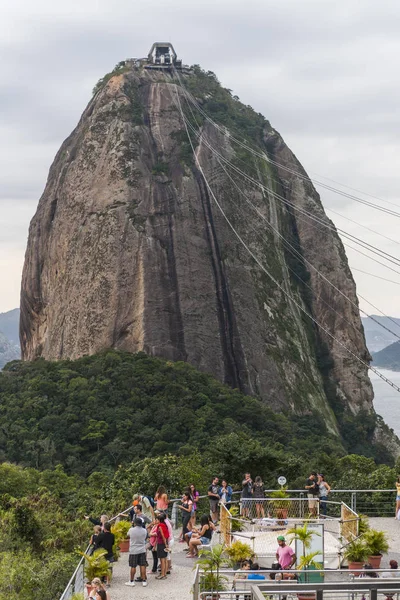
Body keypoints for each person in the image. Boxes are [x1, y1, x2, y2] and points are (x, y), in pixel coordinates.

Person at [125, 518, 148, 587]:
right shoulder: (144, 530)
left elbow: (128, 535)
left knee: (133, 566)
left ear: (134, 523)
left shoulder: (131, 530)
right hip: (142, 549)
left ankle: (131, 581)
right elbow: (146, 537)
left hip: (133, 550)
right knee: (142, 565)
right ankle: (144, 581)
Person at [155, 513, 169, 579]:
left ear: (159, 520)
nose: (155, 521)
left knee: (162, 560)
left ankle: (162, 574)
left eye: (156, 520)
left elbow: (162, 536)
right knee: (165, 558)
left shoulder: (160, 526)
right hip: (165, 542)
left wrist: (165, 544)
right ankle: (164, 573)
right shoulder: (164, 525)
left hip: (161, 543)